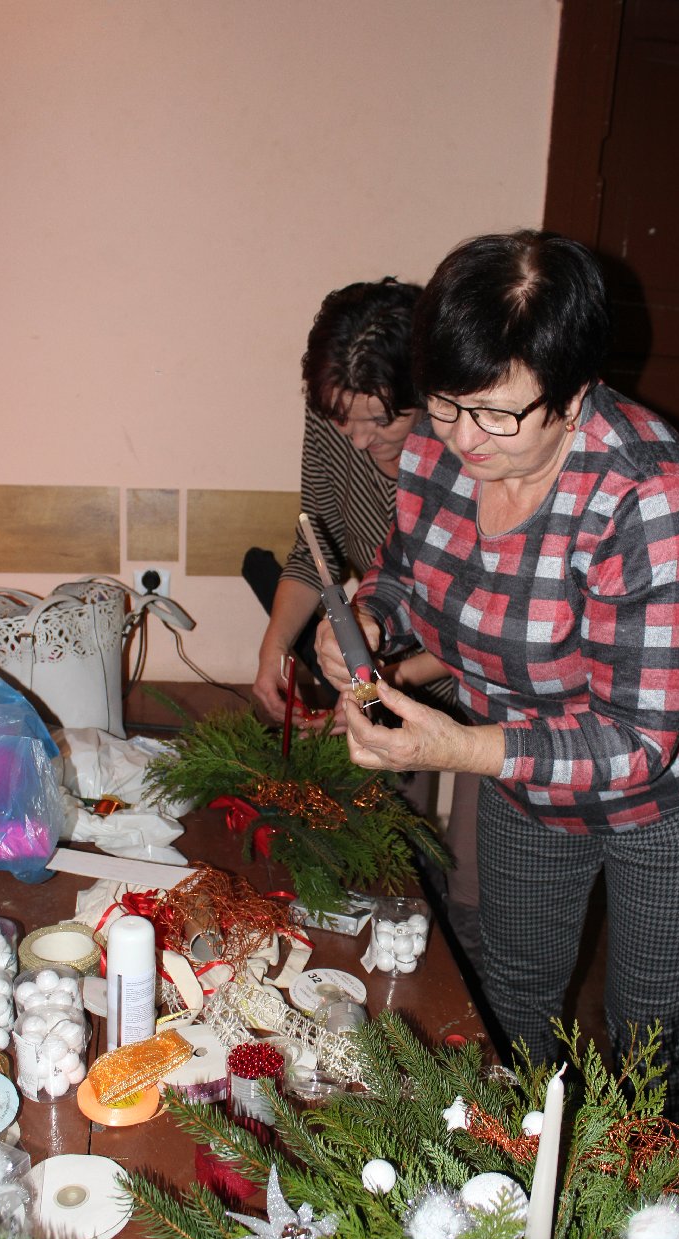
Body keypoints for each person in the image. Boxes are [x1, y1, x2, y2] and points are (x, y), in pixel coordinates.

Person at [315, 230, 679, 1124]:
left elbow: (636, 744)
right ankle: (514, 1172)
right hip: (525, 770)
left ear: (575, 393)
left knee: (649, 1032)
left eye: (495, 415)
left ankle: (648, 1200)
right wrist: (371, 618)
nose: (461, 438)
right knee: (512, 988)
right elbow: (408, 570)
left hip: (675, 794)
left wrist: (459, 747)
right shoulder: (442, 445)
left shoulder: (650, 498)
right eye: (445, 404)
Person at [245, 278, 483, 974]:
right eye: (342, 419)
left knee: (474, 885)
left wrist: (378, 684)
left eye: (381, 419)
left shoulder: (470, 451)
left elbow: (479, 624)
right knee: (383, 851)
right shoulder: (340, 420)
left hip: (484, 675)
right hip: (381, 655)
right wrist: (274, 650)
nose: (358, 438)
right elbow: (314, 550)